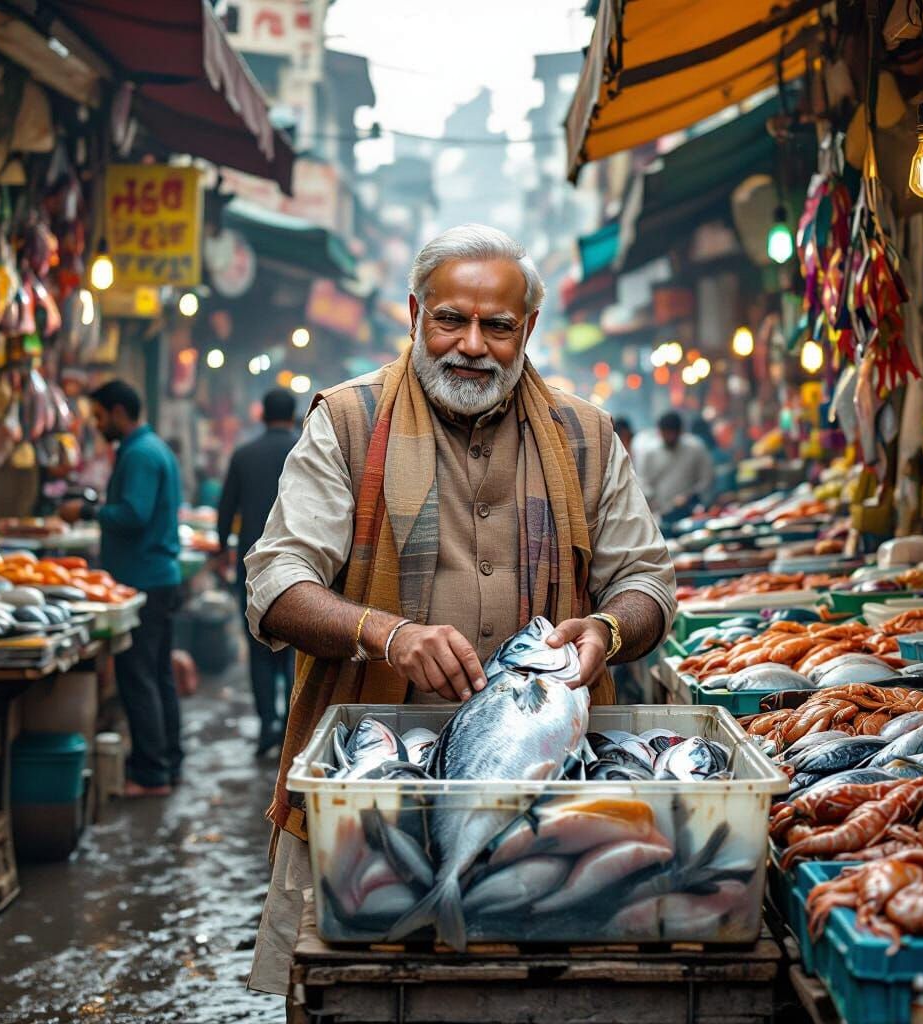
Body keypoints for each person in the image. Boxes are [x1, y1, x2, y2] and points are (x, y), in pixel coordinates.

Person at [244, 224, 677, 997]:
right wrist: (385, 634)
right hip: (371, 785)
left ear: (527, 329)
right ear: (414, 312)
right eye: (450, 319)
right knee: (355, 992)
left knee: (545, 997)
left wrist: (608, 629)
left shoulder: (586, 434)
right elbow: (276, 581)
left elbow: (646, 579)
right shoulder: (347, 422)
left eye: (497, 325)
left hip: (553, 792)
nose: (471, 345)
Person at [59, 380, 183, 797]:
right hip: (156, 576)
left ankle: (150, 774)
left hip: (143, 579)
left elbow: (133, 514)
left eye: (98, 417)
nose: (96, 425)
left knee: (139, 677)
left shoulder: (140, 454)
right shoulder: (149, 449)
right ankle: (168, 762)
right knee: (158, 674)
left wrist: (88, 510)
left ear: (116, 411)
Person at [217, 388, 299, 756]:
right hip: (301, 565)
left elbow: (225, 510)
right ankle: (290, 726)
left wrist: (222, 549)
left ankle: (267, 722)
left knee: (259, 647)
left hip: (252, 567)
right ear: (294, 413)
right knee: (297, 648)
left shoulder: (244, 455)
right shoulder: (305, 448)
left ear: (262, 414)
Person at [634, 410, 714, 524]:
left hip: (692, 512)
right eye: (666, 433)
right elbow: (643, 482)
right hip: (662, 515)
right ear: (660, 432)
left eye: (673, 433)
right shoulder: (649, 453)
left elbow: (707, 479)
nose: (670, 437)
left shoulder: (695, 448)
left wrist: (690, 496)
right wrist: (654, 503)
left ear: (680, 431)